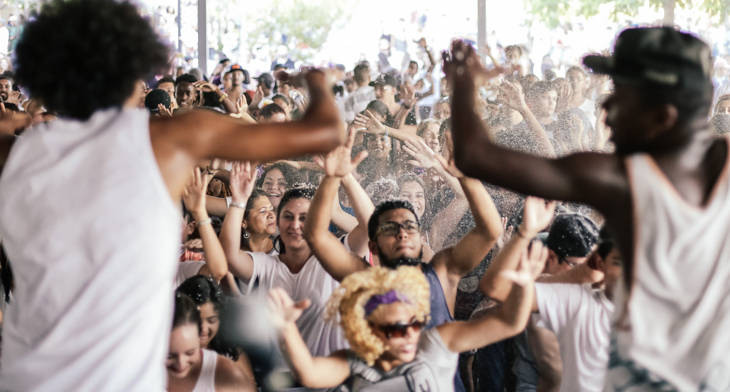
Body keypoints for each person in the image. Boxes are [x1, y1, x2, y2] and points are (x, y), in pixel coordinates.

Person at [446, 0, 730, 390]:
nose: (606, 107)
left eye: (621, 96)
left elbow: (476, 156)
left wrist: (463, 80)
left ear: (662, 116)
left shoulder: (620, 181)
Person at [0, 0, 344, 391]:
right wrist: (316, 83)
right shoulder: (170, 139)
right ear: (134, 70)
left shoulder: (13, 153)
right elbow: (324, 131)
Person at [302, 129, 503, 392]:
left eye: (410, 227)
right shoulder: (364, 278)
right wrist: (333, 178)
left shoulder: (442, 272)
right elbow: (316, 236)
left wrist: (465, 177)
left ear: (421, 239)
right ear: (372, 245)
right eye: (390, 228)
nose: (402, 233)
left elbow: (489, 230)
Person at [266, 242, 546, 392]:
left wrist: (524, 281)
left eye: (416, 323)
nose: (412, 335)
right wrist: (286, 328)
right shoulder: (356, 364)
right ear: (369, 330)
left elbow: (509, 321)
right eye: (397, 329)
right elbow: (308, 372)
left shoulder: (434, 343)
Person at [219, 162, 368, 370]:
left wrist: (347, 177)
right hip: (276, 382)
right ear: (278, 223)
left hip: (328, 383)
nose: (295, 225)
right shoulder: (266, 265)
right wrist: (238, 201)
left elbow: (371, 227)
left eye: (305, 219)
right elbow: (229, 255)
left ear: (319, 223)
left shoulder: (336, 258)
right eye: (288, 217)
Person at [481, 198, 619, 392]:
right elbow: (492, 287)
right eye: (578, 266)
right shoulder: (536, 284)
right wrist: (524, 234)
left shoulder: (602, 289)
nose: (591, 271)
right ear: (552, 257)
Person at [166, 293, 254, 392]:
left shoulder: (228, 374)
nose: (181, 364)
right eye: (169, 356)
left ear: (199, 336)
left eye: (190, 352)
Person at [177, 275, 254, 381]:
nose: (203, 328)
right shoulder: (166, 354)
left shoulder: (232, 354)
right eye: (196, 321)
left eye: (211, 321)